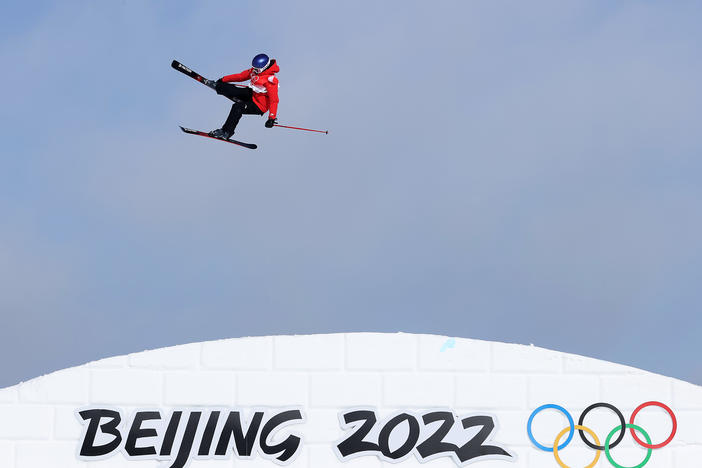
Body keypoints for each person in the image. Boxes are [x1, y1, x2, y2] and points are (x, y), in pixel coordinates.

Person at [209, 54, 279, 139]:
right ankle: (218, 86)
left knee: (237, 107)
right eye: (254, 68)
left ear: (264, 67)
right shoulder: (255, 71)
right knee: (234, 90)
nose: (255, 70)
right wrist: (223, 79)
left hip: (259, 106)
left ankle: (226, 131)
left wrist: (271, 118)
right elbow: (241, 76)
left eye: (257, 69)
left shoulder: (270, 80)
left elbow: (274, 100)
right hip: (253, 94)